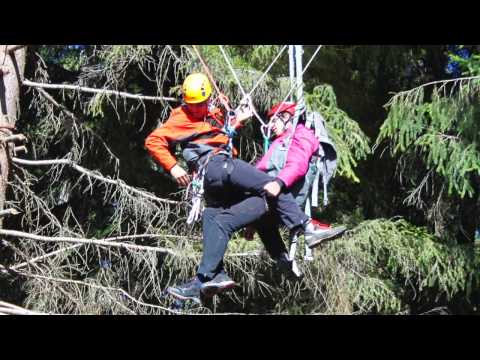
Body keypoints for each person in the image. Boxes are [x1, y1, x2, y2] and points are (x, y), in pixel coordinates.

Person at [145, 73, 330, 302]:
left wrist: (236, 121)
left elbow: (296, 163)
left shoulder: (299, 135)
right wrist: (173, 167)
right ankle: (302, 230)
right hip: (217, 169)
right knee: (241, 201)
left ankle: (211, 275)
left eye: (202, 103)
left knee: (230, 208)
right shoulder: (183, 117)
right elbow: (156, 140)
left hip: (218, 175)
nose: (198, 108)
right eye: (194, 105)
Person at [249, 102, 346, 275]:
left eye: (274, 121)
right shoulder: (279, 141)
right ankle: (283, 260)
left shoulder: (300, 135)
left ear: (287, 118)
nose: (270, 126)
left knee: (262, 205)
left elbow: (297, 164)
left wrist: (278, 183)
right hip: (270, 193)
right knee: (264, 222)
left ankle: (310, 228)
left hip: (282, 190)